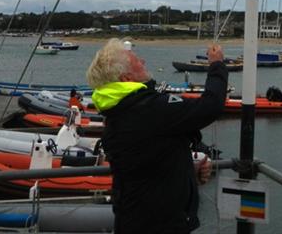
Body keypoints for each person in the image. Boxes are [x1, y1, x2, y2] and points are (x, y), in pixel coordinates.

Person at [86, 38, 228, 233]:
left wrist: (188, 169)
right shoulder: (150, 108)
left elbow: (154, 156)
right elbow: (210, 106)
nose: (143, 61)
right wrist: (217, 65)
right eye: (136, 60)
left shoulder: (118, 111)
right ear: (126, 78)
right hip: (161, 224)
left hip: (133, 218)